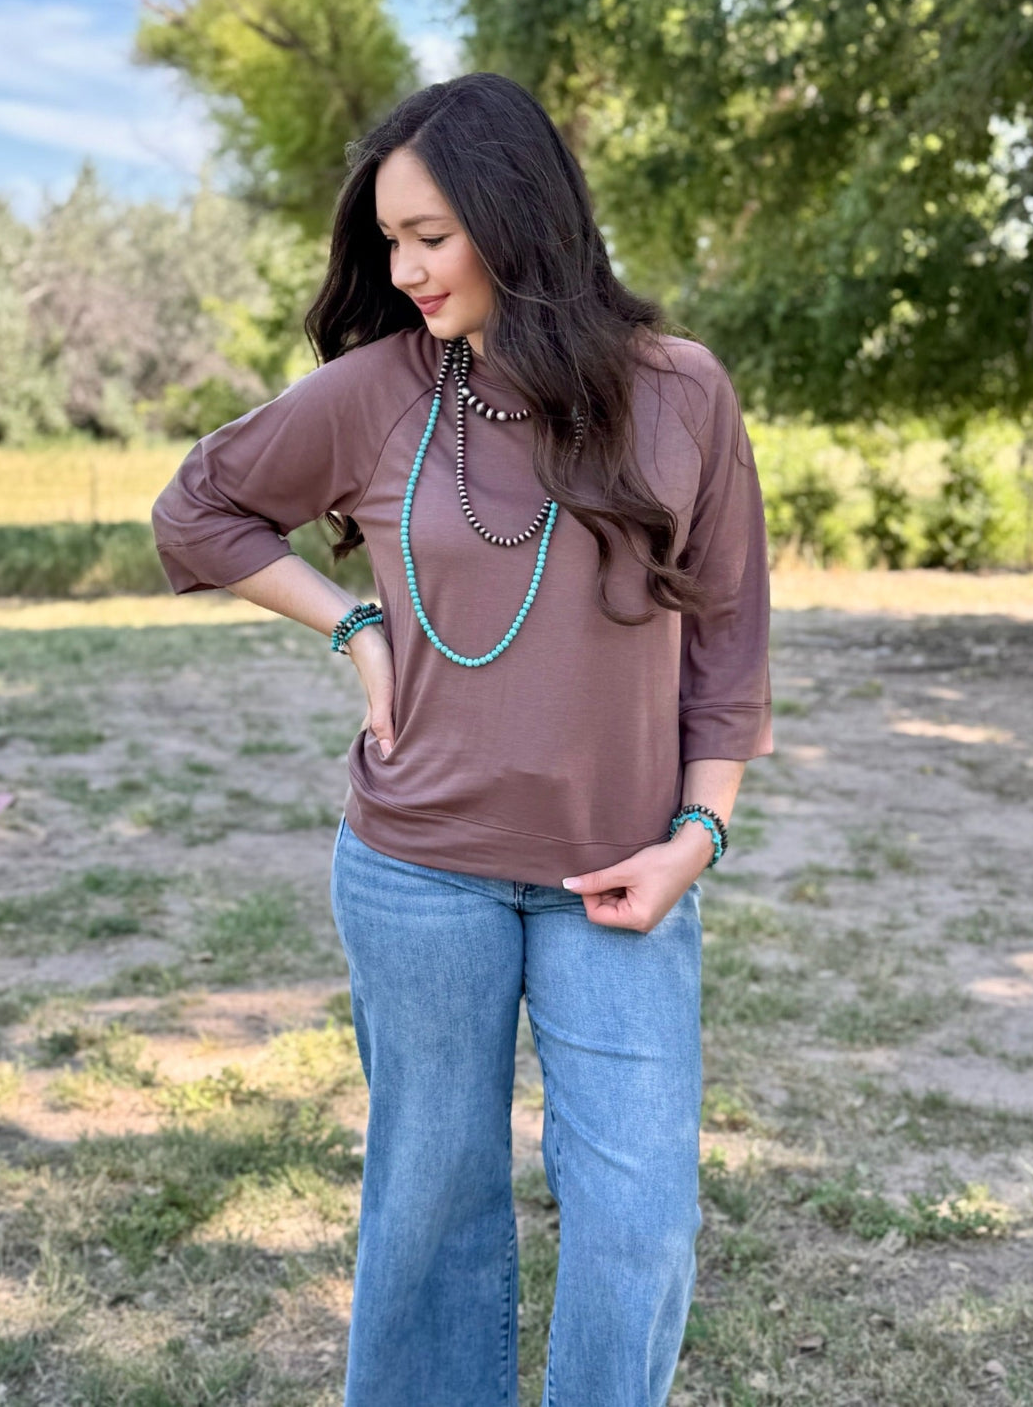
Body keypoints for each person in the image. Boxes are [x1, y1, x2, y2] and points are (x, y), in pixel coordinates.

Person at [151, 71, 772, 1407]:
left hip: (621, 874)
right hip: (417, 870)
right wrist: (348, 624)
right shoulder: (380, 389)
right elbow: (196, 510)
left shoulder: (683, 393)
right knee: (431, 1216)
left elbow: (727, 638)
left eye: (430, 235)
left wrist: (700, 831)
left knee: (641, 1221)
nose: (405, 270)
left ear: (517, 217)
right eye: (390, 242)